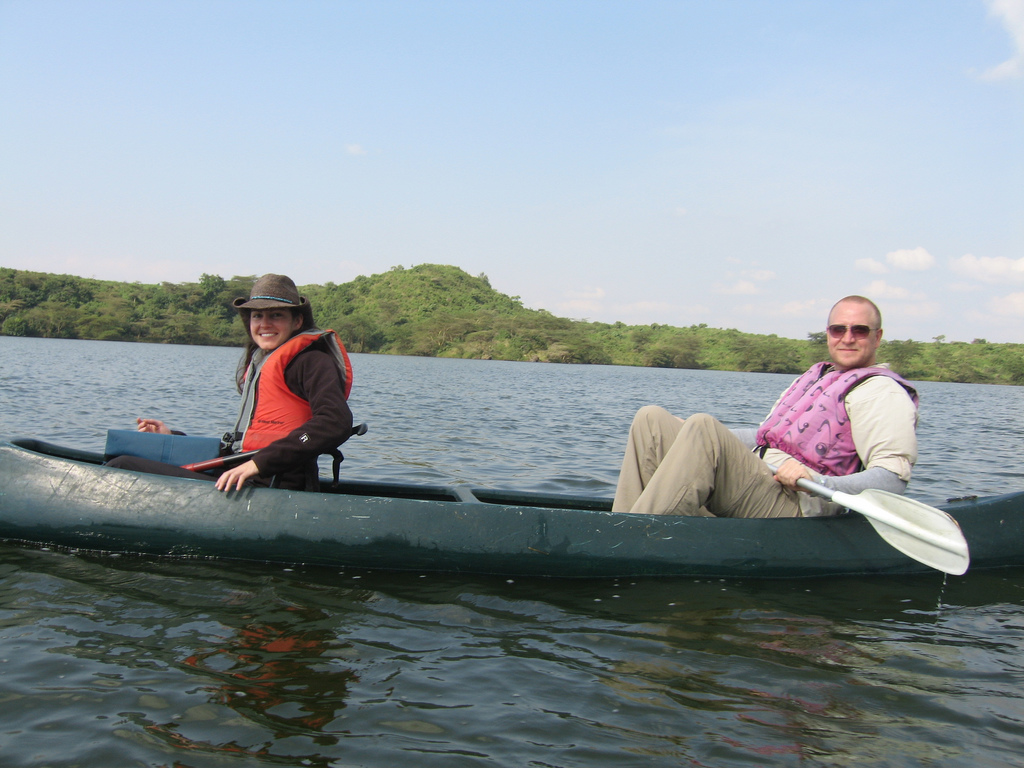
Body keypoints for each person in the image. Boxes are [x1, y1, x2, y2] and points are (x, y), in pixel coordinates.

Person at [611, 295, 918, 518]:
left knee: (703, 425)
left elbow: (892, 480)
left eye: (859, 330)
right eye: (839, 329)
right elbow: (765, 438)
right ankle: (624, 522)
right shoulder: (817, 377)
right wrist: (688, 432)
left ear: (877, 337)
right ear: (828, 334)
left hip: (797, 506)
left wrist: (817, 481)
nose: (847, 338)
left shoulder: (881, 391)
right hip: (762, 479)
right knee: (651, 419)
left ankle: (638, 537)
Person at [107, 274, 355, 492]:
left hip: (274, 483)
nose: (265, 324)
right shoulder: (262, 361)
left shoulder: (311, 361)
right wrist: (174, 438)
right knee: (128, 455)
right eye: (257, 316)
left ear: (297, 321)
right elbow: (242, 448)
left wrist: (260, 463)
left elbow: (335, 422)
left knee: (122, 466)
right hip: (244, 473)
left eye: (276, 315)